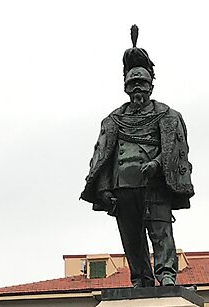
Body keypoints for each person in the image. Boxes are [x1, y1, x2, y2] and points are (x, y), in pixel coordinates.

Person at [81, 26, 194, 288]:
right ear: (125, 87)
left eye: (142, 84)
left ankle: (166, 274)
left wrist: (157, 164)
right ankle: (140, 278)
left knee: (160, 230)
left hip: (155, 183)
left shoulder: (167, 116)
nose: (137, 89)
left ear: (151, 86)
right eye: (132, 84)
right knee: (131, 236)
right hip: (123, 186)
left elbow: (177, 150)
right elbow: (103, 157)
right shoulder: (113, 120)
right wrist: (103, 189)